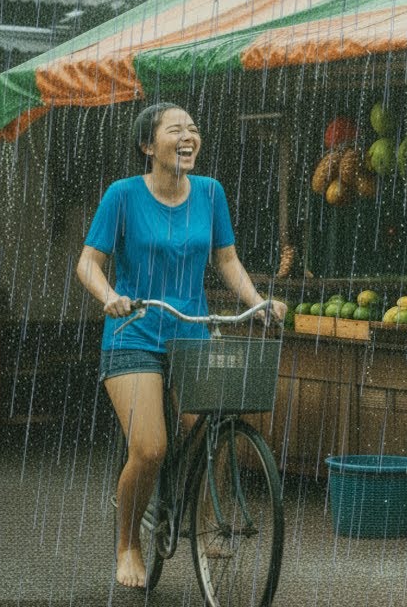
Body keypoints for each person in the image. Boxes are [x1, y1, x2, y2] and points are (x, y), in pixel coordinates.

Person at [75, 102, 286, 588]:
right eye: (175, 130)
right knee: (150, 448)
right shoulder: (123, 195)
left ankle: (202, 514)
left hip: (191, 331)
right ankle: (128, 542)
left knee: (211, 431)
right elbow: (88, 262)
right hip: (134, 333)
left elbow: (227, 260)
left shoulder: (211, 193)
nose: (188, 137)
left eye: (193, 128)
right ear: (148, 146)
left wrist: (258, 302)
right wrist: (109, 296)